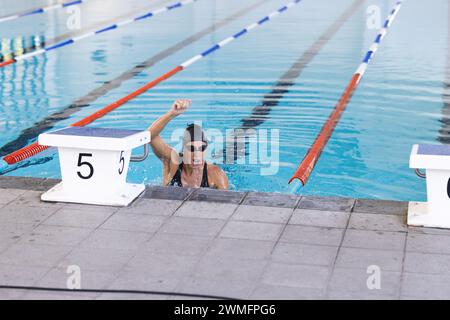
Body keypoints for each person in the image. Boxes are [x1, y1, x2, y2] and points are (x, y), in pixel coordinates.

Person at [148, 99, 229, 189]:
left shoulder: (215, 175)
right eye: (191, 148)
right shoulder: (173, 162)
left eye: (201, 148)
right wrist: (171, 114)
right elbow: (150, 136)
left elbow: (228, 202)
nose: (196, 155)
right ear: (183, 150)